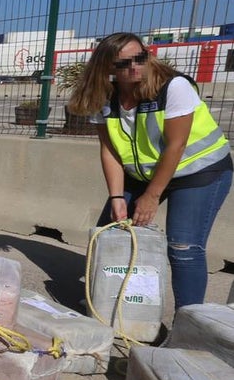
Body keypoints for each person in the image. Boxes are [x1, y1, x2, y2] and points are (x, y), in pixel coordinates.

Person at [67, 32, 232, 310]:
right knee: (111, 233)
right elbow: (109, 150)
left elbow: (176, 145)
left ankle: (188, 323)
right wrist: (118, 197)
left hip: (198, 171)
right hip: (142, 173)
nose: (134, 67)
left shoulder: (173, 87)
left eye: (140, 58)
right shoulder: (103, 97)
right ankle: (111, 303)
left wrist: (152, 196)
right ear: (108, 69)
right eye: (123, 64)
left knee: (184, 248)